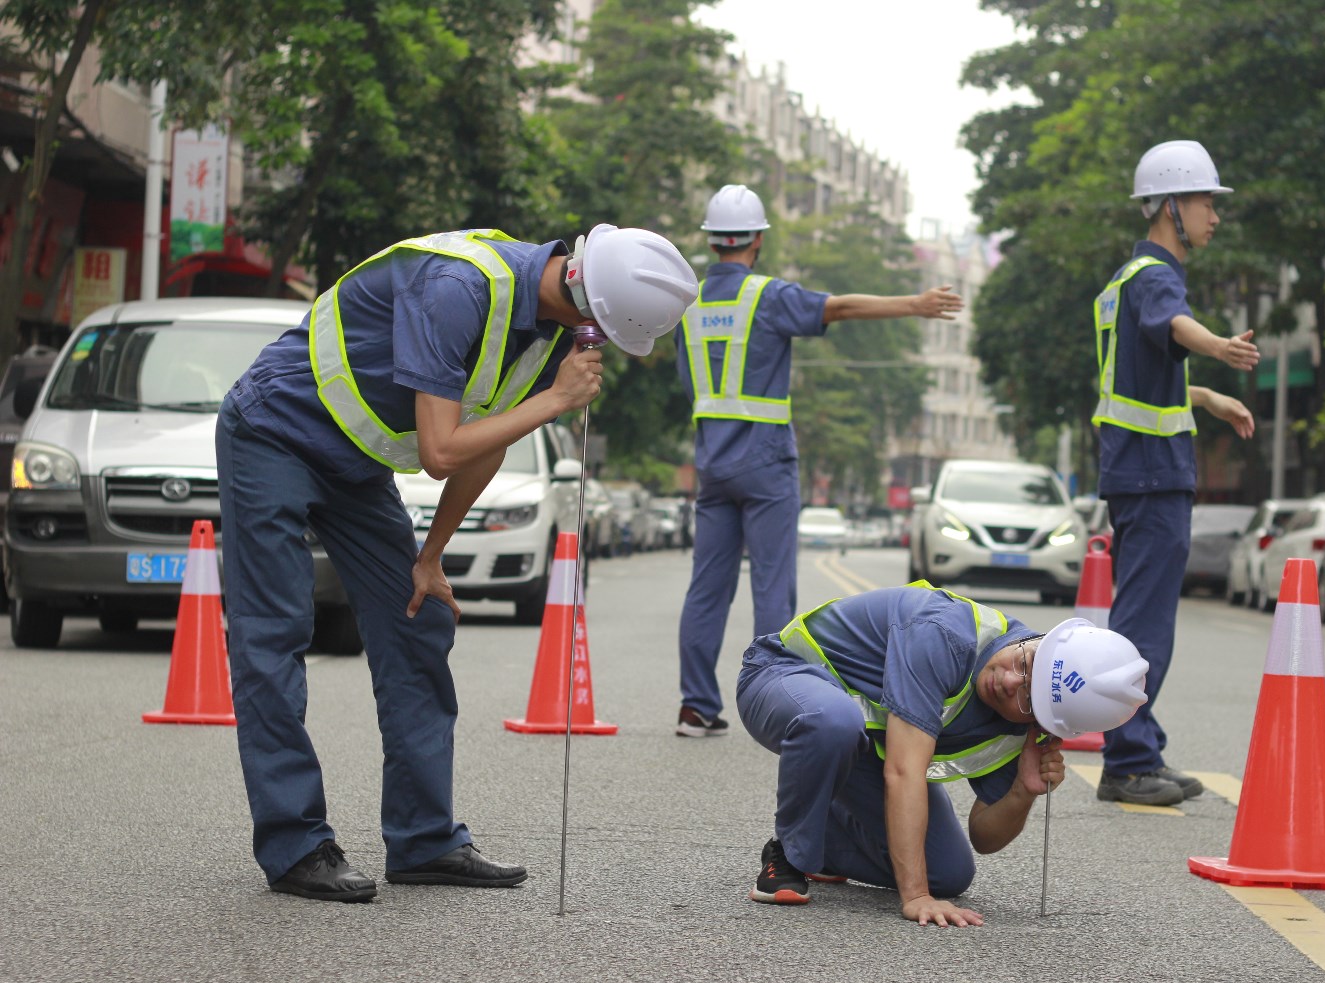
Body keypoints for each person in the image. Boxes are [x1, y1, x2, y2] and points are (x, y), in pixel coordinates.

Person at [217, 225, 697, 902]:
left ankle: (423, 839)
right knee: (274, 632)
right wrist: (556, 400)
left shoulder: (549, 329)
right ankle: (296, 844)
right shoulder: (458, 290)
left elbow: (489, 438)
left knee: (418, 620)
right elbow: (442, 450)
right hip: (273, 429)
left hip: (354, 463)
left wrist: (432, 556)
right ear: (595, 308)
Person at [674, 184, 964, 738]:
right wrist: (915, 304)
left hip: (711, 461)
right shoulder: (765, 296)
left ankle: (695, 705)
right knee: (773, 588)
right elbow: (840, 307)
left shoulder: (689, 305)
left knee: (706, 588)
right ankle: (775, 701)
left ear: (712, 241)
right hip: (765, 460)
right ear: (757, 240)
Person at [736, 582, 1149, 926]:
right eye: (1027, 661)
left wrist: (1023, 792)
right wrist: (915, 896)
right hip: (781, 677)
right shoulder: (944, 633)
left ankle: (818, 837)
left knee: (949, 872)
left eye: (1028, 697)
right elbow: (903, 772)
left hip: (865, 744)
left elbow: (985, 838)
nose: (1008, 680)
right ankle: (789, 852)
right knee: (834, 721)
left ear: (1044, 721)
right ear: (1044, 639)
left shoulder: (1023, 724)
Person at [1090, 140, 1258, 807]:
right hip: (1154, 475)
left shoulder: (1121, 282)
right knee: (1145, 627)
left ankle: (1136, 746)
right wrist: (1218, 347)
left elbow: (1142, 371)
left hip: (1132, 472)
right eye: (1203, 202)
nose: (1213, 216)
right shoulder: (1157, 276)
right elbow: (1175, 323)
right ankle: (1129, 759)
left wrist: (1206, 396)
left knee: (1135, 618)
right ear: (1168, 206)